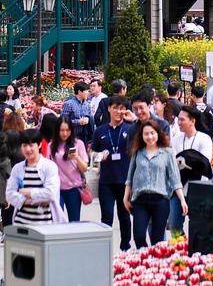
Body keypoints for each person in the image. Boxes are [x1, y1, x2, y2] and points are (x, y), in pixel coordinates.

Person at [124, 118, 184, 248]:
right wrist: (126, 197)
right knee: (139, 236)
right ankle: (146, 259)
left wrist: (182, 200)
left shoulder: (167, 153)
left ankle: (155, 264)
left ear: (158, 133)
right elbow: (130, 176)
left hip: (160, 200)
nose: (150, 137)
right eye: (146, 134)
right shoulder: (138, 152)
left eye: (152, 133)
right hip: (140, 200)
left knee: (157, 239)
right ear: (141, 136)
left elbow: (175, 179)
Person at [93, 96, 135, 250]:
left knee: (124, 216)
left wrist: (135, 120)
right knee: (107, 216)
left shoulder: (131, 129)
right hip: (106, 181)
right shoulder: (100, 131)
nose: (119, 111)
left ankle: (125, 246)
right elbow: (92, 150)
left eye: (122, 108)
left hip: (125, 181)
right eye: (116, 108)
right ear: (109, 108)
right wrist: (98, 155)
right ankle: (105, 246)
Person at [169, 106, 213, 234]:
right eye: (179, 119)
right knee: (174, 224)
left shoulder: (204, 139)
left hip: (198, 189)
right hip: (178, 189)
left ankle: (193, 251)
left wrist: (184, 161)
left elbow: (204, 163)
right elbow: (173, 163)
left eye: (182, 120)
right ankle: (180, 249)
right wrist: (189, 161)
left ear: (192, 121)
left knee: (197, 226)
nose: (179, 122)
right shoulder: (176, 139)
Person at [6, 131, 64, 225]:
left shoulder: (49, 166)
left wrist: (29, 193)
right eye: (24, 145)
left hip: (45, 224)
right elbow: (9, 194)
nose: (28, 149)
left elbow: (50, 193)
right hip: (21, 223)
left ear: (39, 145)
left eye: (31, 145)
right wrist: (29, 200)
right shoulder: (17, 168)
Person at [46, 117, 90, 221]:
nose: (65, 133)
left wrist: (76, 157)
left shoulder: (78, 144)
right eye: (62, 130)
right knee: (56, 220)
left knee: (74, 221)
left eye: (67, 130)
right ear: (57, 131)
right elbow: (47, 166)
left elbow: (84, 168)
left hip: (74, 188)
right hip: (57, 189)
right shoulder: (51, 145)